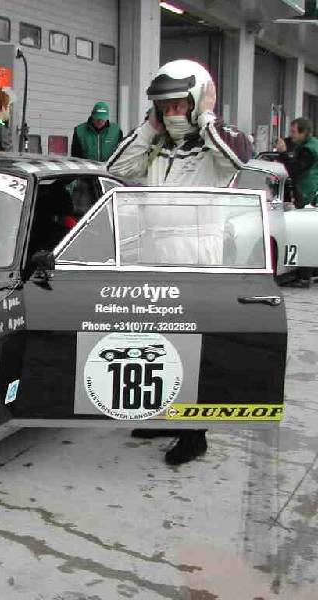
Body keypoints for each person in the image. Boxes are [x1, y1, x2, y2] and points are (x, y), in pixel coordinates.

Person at [107, 59, 252, 466]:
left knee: (193, 348)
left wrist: (205, 116)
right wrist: (150, 127)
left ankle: (195, 434)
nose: (172, 114)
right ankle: (165, 414)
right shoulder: (157, 146)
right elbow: (116, 168)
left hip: (198, 264)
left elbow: (241, 158)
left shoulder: (216, 148)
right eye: (164, 107)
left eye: (177, 105)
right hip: (154, 260)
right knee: (159, 346)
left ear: (194, 101)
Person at [275, 117, 318, 208]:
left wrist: (283, 153)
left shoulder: (308, 150)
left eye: (294, 132)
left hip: (307, 192)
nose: (291, 135)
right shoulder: (312, 144)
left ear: (304, 132)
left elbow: (294, 170)